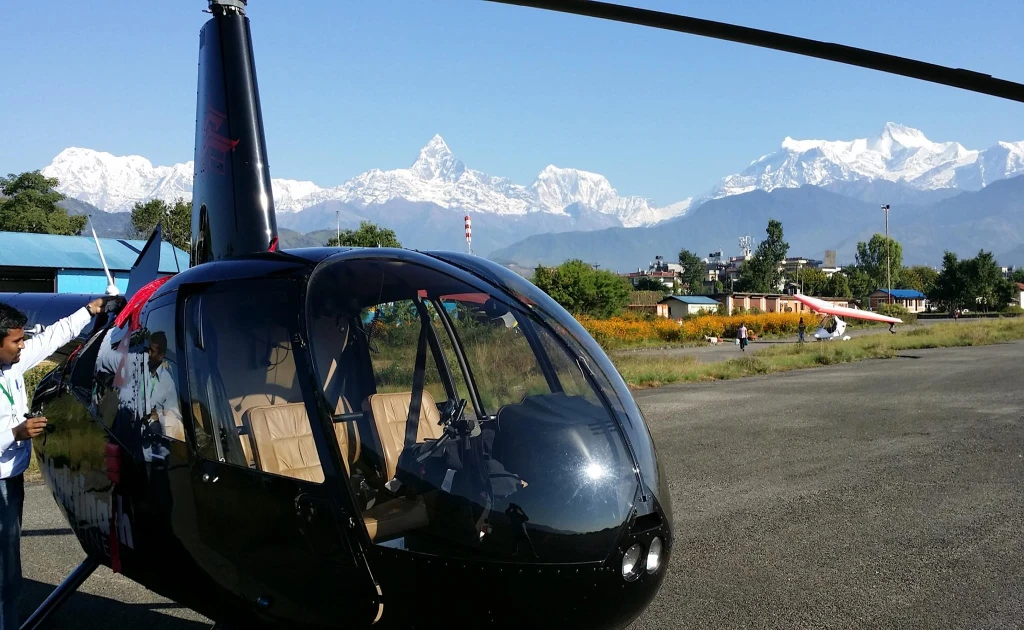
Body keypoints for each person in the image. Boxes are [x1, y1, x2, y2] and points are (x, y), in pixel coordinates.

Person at [0, 297, 104, 629]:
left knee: (8, 556)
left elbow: (51, 338)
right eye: (15, 340)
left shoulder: (14, 364)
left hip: (12, 480)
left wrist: (90, 311)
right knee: (5, 567)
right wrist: (14, 433)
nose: (22, 346)